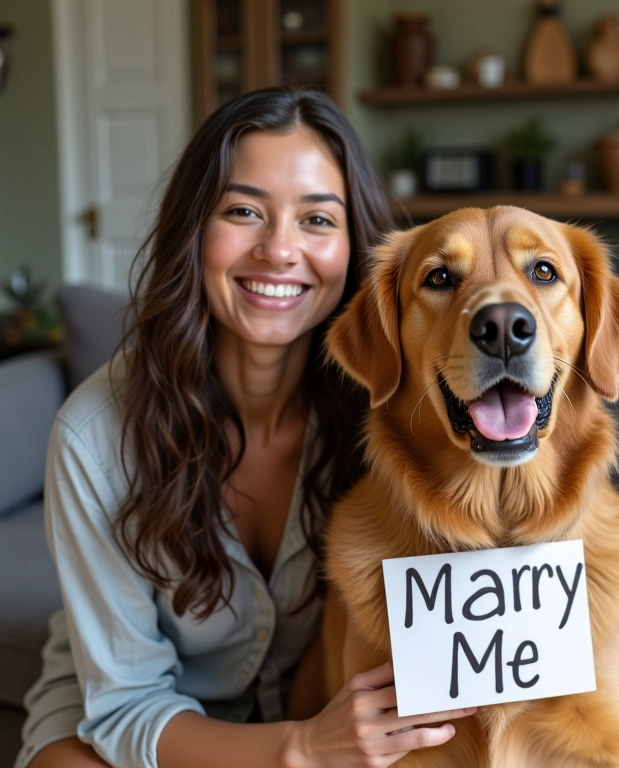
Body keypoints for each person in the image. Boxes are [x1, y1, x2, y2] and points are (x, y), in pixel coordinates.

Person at [16, 87, 475, 768]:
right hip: (133, 722)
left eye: (318, 220)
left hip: (316, 707)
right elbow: (123, 706)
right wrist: (300, 747)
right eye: (243, 212)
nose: (280, 250)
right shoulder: (94, 433)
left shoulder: (394, 409)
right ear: (194, 230)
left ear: (356, 246)